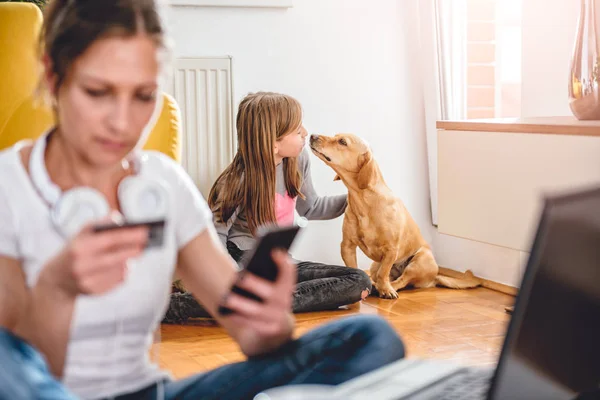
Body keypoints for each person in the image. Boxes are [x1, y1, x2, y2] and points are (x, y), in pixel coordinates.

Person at [0, 1, 405, 399]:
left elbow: (250, 331)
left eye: (143, 95)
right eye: (97, 92)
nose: (122, 122)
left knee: (370, 337)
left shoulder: (162, 183)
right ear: (53, 77)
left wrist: (268, 317)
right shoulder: (8, 188)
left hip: (150, 392)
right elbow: (22, 372)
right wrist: (57, 289)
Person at [164, 92, 373, 324]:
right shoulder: (236, 180)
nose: (305, 132)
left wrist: (359, 196)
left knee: (359, 280)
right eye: (296, 130)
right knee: (250, 290)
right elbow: (215, 238)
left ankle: (253, 304)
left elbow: (312, 207)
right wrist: (234, 279)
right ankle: (176, 306)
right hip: (243, 260)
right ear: (274, 143)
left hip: (280, 262)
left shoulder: (298, 160)